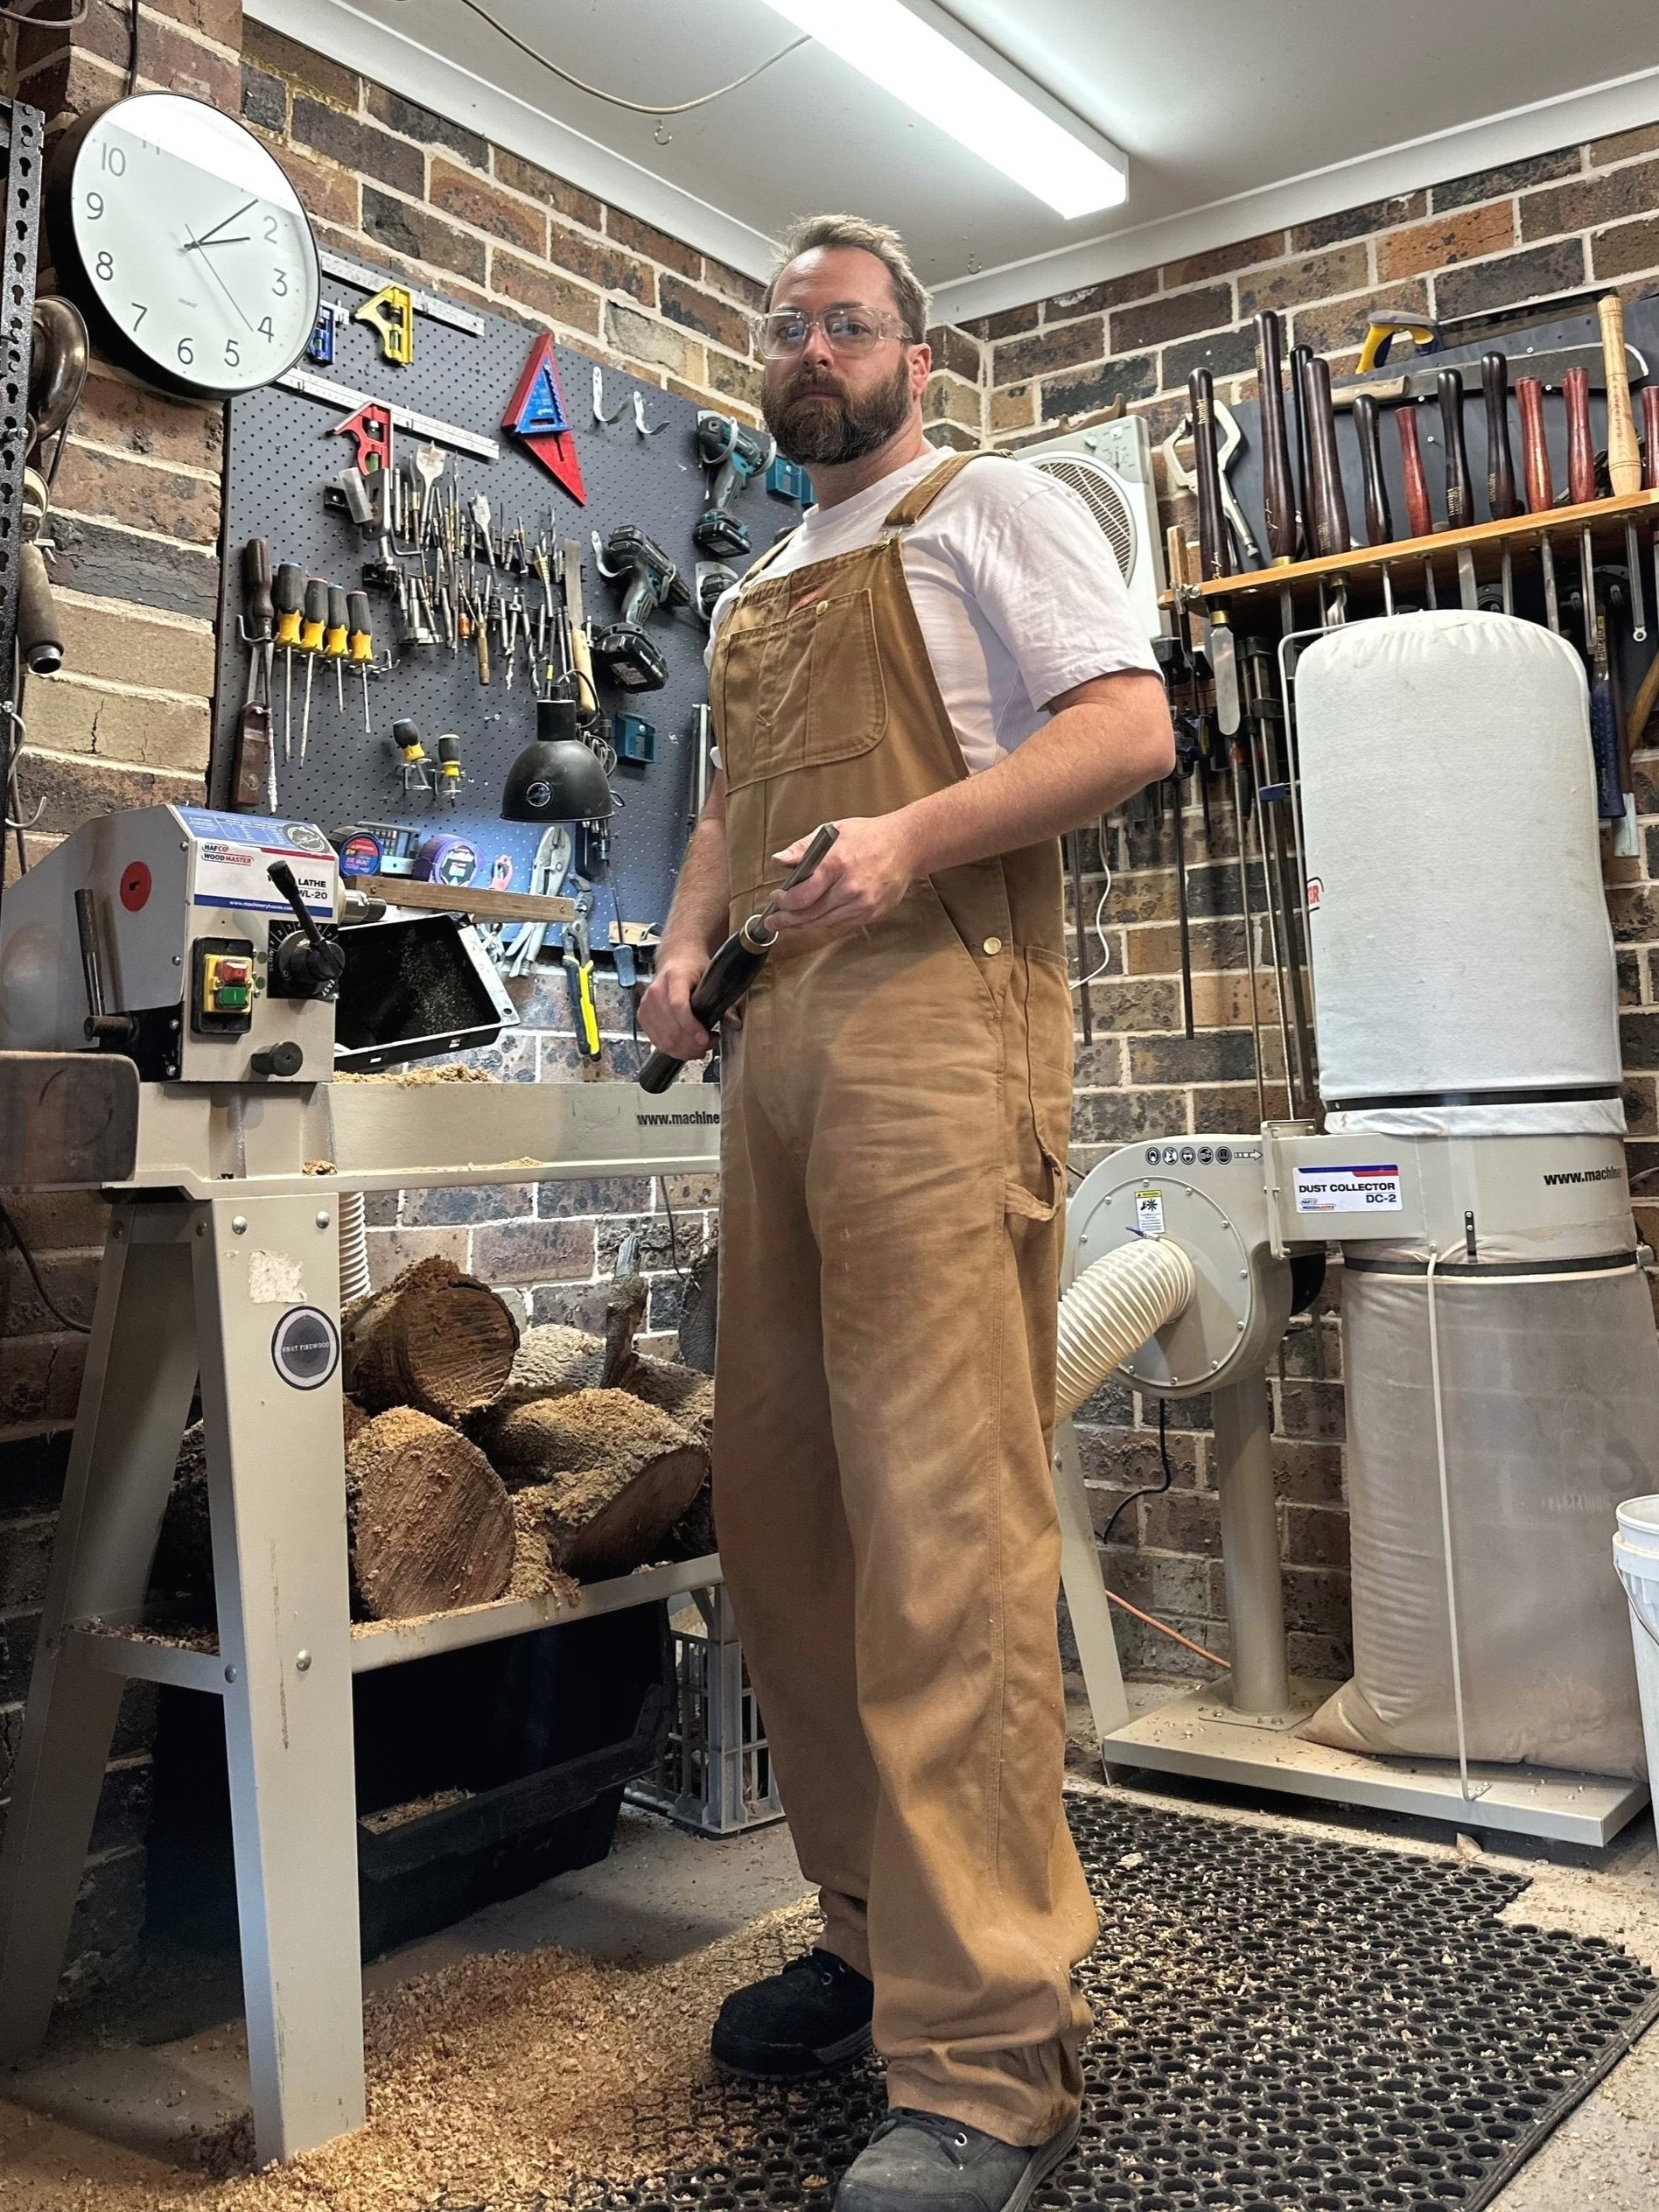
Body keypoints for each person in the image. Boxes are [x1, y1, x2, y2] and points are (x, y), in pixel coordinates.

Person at [638, 213, 1173, 2212]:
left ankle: (990, 2053)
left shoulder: (995, 505)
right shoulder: (761, 579)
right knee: (785, 1522)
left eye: (844, 321)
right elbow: (719, 810)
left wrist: (910, 837)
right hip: (778, 1068)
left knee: (945, 1532)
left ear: (912, 360)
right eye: (783, 324)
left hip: (939, 1050)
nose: (808, 348)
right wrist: (684, 950)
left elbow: (1129, 727)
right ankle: (874, 1946)